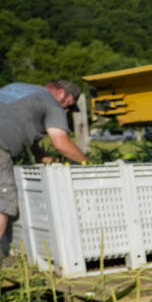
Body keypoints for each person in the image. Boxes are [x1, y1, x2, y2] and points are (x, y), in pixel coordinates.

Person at [0, 79, 90, 249]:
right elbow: (61, 143)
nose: (66, 111)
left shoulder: (17, 87)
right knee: (2, 202)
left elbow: (20, 128)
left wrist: (44, 158)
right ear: (62, 93)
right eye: (68, 105)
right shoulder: (51, 102)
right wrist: (89, 164)